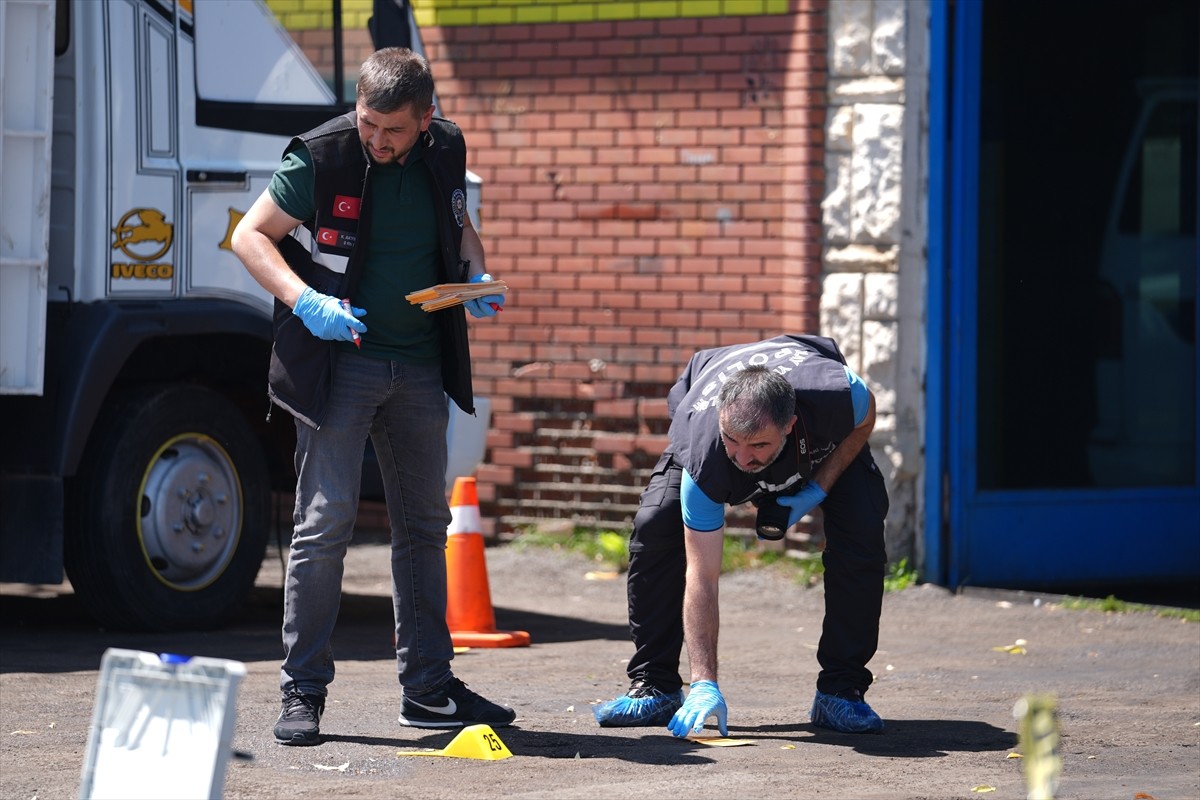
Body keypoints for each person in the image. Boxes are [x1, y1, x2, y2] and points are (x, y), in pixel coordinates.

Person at [231, 47, 512, 746]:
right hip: (342, 364)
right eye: (368, 123)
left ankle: (429, 691)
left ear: (427, 119)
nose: (377, 140)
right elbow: (249, 236)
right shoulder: (322, 156)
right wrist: (307, 303)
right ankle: (303, 693)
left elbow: (459, 229)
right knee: (323, 527)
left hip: (419, 369)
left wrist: (476, 276)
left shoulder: (446, 149)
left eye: (393, 129)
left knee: (424, 528)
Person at [593, 334, 890, 736]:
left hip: (820, 445)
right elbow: (703, 576)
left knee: (862, 528)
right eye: (734, 441)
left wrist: (815, 490)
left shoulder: (836, 396)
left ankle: (842, 691)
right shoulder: (708, 452)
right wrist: (704, 683)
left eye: (758, 446)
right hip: (710, 433)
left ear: (790, 425)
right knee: (656, 527)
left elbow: (866, 416)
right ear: (721, 421)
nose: (744, 458)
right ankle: (656, 686)